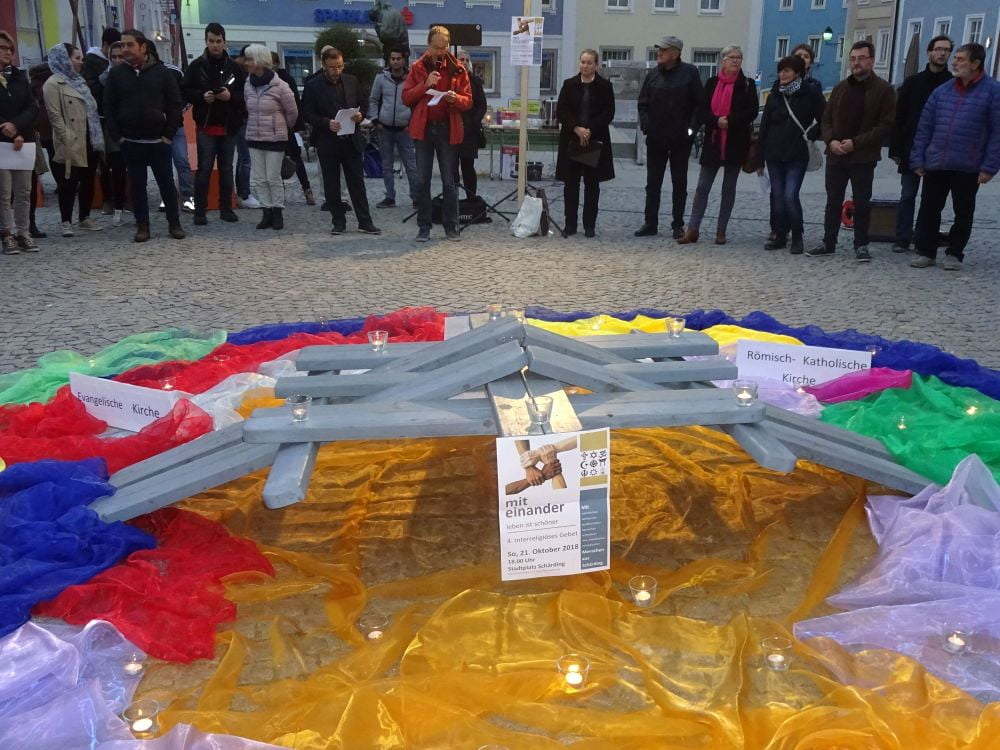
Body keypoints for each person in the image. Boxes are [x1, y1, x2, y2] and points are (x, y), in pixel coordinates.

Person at [910, 43, 999, 272]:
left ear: (975, 64)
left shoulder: (993, 92)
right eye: (955, 58)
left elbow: (997, 133)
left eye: (960, 59)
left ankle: (954, 252)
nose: (954, 62)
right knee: (929, 208)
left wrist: (989, 167)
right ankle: (926, 251)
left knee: (963, 211)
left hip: (968, 164)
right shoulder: (942, 91)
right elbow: (925, 127)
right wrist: (918, 158)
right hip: (937, 161)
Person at [807, 40, 895, 262]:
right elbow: (826, 119)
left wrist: (856, 143)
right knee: (832, 201)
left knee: (862, 202)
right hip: (836, 154)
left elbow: (885, 125)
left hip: (863, 156)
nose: (856, 63)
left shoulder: (884, 90)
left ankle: (861, 244)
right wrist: (830, 141)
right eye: (853, 59)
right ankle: (828, 242)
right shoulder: (840, 88)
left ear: (871, 60)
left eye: (861, 58)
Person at [103, 29, 185, 242]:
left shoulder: (162, 72)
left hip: (159, 141)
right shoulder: (117, 74)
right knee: (137, 186)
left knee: (166, 184)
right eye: (122, 45)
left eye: (130, 45)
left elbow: (175, 104)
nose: (125, 49)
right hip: (131, 141)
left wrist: (168, 135)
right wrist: (118, 136)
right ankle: (142, 226)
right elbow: (108, 107)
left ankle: (174, 223)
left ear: (143, 47)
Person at [679, 46, 756, 246]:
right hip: (713, 141)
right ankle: (693, 228)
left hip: (735, 142)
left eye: (739, 57)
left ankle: (721, 231)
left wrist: (730, 121)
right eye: (732, 57)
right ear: (723, 60)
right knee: (702, 187)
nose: (736, 61)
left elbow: (752, 111)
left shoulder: (747, 85)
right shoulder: (712, 83)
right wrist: (716, 121)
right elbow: (702, 110)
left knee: (728, 189)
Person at [402, 25, 472, 242]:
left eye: (444, 47)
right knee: (422, 180)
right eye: (437, 47)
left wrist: (455, 99)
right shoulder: (417, 67)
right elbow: (406, 97)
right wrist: (425, 85)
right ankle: (424, 227)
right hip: (424, 129)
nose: (441, 51)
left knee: (449, 181)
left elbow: (468, 101)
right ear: (429, 45)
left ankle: (451, 227)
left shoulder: (458, 68)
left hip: (447, 128)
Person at [302, 46, 380, 235]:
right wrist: (326, 123)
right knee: (331, 184)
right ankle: (338, 221)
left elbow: (363, 102)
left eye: (339, 66)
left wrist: (360, 115)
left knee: (357, 183)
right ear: (323, 65)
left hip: (351, 140)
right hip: (327, 141)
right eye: (332, 67)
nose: (336, 71)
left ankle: (365, 221)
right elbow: (307, 113)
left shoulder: (351, 80)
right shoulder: (313, 85)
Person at [889, 35, 953, 254]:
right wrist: (896, 149)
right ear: (929, 52)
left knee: (931, 200)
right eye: (938, 49)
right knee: (907, 195)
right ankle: (902, 237)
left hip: (939, 150)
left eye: (946, 50)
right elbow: (899, 117)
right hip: (911, 148)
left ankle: (924, 238)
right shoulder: (913, 82)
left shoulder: (952, 83)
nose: (942, 53)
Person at [634, 35, 703, 239]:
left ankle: (677, 224)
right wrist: (646, 126)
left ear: (675, 53)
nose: (659, 53)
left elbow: (700, 105)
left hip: (681, 139)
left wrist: (691, 130)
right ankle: (650, 223)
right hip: (656, 138)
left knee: (679, 183)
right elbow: (643, 103)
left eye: (663, 50)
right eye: (659, 50)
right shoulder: (653, 74)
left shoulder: (690, 73)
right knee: (653, 183)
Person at [759, 55, 825, 254]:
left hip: (797, 153)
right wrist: (760, 155)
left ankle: (797, 235)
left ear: (797, 73)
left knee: (790, 196)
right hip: (774, 153)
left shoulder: (810, 92)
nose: (782, 74)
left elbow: (825, 118)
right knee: (778, 196)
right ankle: (780, 235)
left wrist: (812, 133)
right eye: (780, 70)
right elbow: (765, 125)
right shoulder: (774, 94)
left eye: (786, 70)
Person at [183, 22, 245, 224]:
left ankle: (226, 208)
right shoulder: (196, 66)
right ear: (206, 41)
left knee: (226, 169)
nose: (215, 45)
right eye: (212, 41)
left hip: (228, 126)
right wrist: (201, 97)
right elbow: (185, 91)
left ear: (225, 42)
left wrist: (230, 96)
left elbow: (244, 95)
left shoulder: (235, 67)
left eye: (218, 41)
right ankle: (200, 211)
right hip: (206, 125)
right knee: (204, 169)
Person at [43, 43, 105, 237]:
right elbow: (54, 115)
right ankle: (66, 220)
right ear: (64, 59)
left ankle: (84, 216)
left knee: (88, 179)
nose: (80, 62)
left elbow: (92, 109)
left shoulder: (80, 81)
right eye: (76, 58)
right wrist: (67, 137)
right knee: (68, 182)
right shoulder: (53, 84)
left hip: (89, 137)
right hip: (70, 139)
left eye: (81, 58)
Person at [554, 48, 615, 238]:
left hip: (594, 140)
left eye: (589, 62)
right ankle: (570, 224)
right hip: (572, 140)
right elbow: (562, 111)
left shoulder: (605, 86)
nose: (585, 66)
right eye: (582, 62)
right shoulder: (569, 84)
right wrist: (577, 128)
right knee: (570, 185)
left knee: (592, 185)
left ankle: (589, 225)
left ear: (596, 65)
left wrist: (589, 130)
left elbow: (608, 112)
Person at [242, 44, 297, 230]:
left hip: (275, 138)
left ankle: (277, 211)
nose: (246, 62)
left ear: (259, 61)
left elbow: (292, 112)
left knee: (273, 177)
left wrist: (282, 128)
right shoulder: (248, 84)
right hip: (254, 136)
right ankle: (266, 211)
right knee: (259, 178)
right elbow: (248, 108)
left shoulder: (280, 86)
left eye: (249, 59)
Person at [0, 30, 39, 254]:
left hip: (24, 140)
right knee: (4, 193)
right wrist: (5, 127)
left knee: (24, 191)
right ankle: (7, 234)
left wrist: (17, 128)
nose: (7, 52)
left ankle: (24, 232)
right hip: (1, 141)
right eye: (2, 48)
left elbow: (32, 106)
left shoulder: (19, 76)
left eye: (10, 49)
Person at [369, 46, 419, 208]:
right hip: (385, 128)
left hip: (405, 129)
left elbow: (417, 102)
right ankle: (390, 197)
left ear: (404, 60)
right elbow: (373, 100)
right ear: (389, 60)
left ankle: (416, 198)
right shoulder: (381, 78)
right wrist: (375, 120)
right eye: (393, 59)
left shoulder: (412, 78)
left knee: (411, 166)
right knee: (386, 165)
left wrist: (412, 123)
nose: (395, 61)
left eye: (398, 58)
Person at [82, 26, 120, 216]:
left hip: (119, 117)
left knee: (120, 160)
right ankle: (107, 198)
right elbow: (91, 89)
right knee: (104, 161)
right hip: (100, 118)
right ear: (105, 45)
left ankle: (122, 197)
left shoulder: (119, 60)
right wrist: (106, 77)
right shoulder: (91, 62)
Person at [92, 41, 128, 227]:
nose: (117, 60)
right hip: (109, 127)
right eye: (113, 57)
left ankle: (126, 202)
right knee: (111, 166)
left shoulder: (133, 75)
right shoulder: (103, 78)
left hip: (130, 127)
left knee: (129, 167)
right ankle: (114, 202)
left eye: (120, 56)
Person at [271, 51, 314, 205]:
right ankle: (278, 193)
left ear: (276, 63)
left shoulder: (286, 79)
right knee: (274, 161)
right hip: (270, 127)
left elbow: (295, 104)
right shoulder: (261, 79)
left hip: (286, 126)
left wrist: (295, 125)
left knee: (295, 158)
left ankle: (307, 189)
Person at [162, 58, 195, 214]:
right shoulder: (145, 73)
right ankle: (168, 196)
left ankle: (187, 196)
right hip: (157, 127)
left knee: (182, 161)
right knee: (163, 164)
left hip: (176, 125)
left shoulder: (174, 72)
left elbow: (187, 96)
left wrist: (177, 112)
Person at [455, 47, 487, 198]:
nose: (465, 62)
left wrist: (473, 122)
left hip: (470, 131)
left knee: (468, 166)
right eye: (461, 59)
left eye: (467, 60)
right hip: (453, 128)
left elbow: (482, 105)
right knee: (451, 167)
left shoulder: (475, 81)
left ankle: (471, 198)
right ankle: (452, 198)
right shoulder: (451, 79)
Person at [233, 47, 259, 208]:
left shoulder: (244, 72)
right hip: (240, 118)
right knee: (246, 158)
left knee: (243, 158)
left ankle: (242, 193)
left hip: (243, 117)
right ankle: (244, 193)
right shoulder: (238, 73)